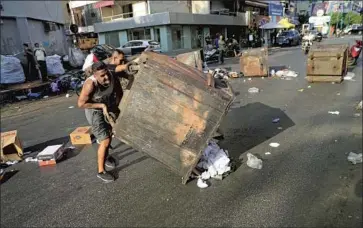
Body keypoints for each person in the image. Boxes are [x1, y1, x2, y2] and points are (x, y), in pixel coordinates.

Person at [78, 61, 127, 183]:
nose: (106, 77)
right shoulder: (90, 84)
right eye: (102, 76)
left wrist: (117, 109)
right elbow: (81, 104)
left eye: (106, 74)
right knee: (105, 140)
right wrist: (101, 106)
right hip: (94, 110)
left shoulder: (111, 75)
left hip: (108, 105)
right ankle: (101, 171)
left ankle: (105, 157)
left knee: (109, 135)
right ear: (95, 75)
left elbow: (119, 92)